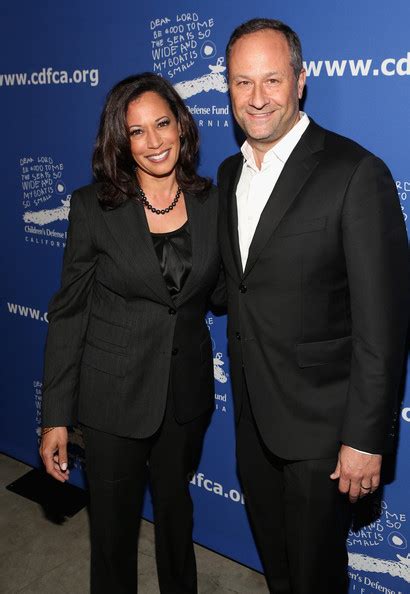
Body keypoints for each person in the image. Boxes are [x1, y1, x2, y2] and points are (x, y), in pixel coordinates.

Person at [217, 18, 409, 594]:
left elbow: (383, 325)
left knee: (316, 579)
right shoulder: (228, 173)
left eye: (272, 80)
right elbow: (235, 287)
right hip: (252, 420)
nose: (257, 98)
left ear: (301, 81)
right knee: (279, 571)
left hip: (324, 436)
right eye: (242, 82)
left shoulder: (355, 173)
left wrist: (365, 439)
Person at [40, 72, 222, 594]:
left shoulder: (212, 202)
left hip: (183, 397)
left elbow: (226, 291)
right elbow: (69, 313)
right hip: (112, 398)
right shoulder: (92, 208)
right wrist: (55, 417)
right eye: (136, 131)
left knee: (176, 519)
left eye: (162, 124)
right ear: (120, 142)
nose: (154, 141)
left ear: (181, 126)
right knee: (113, 536)